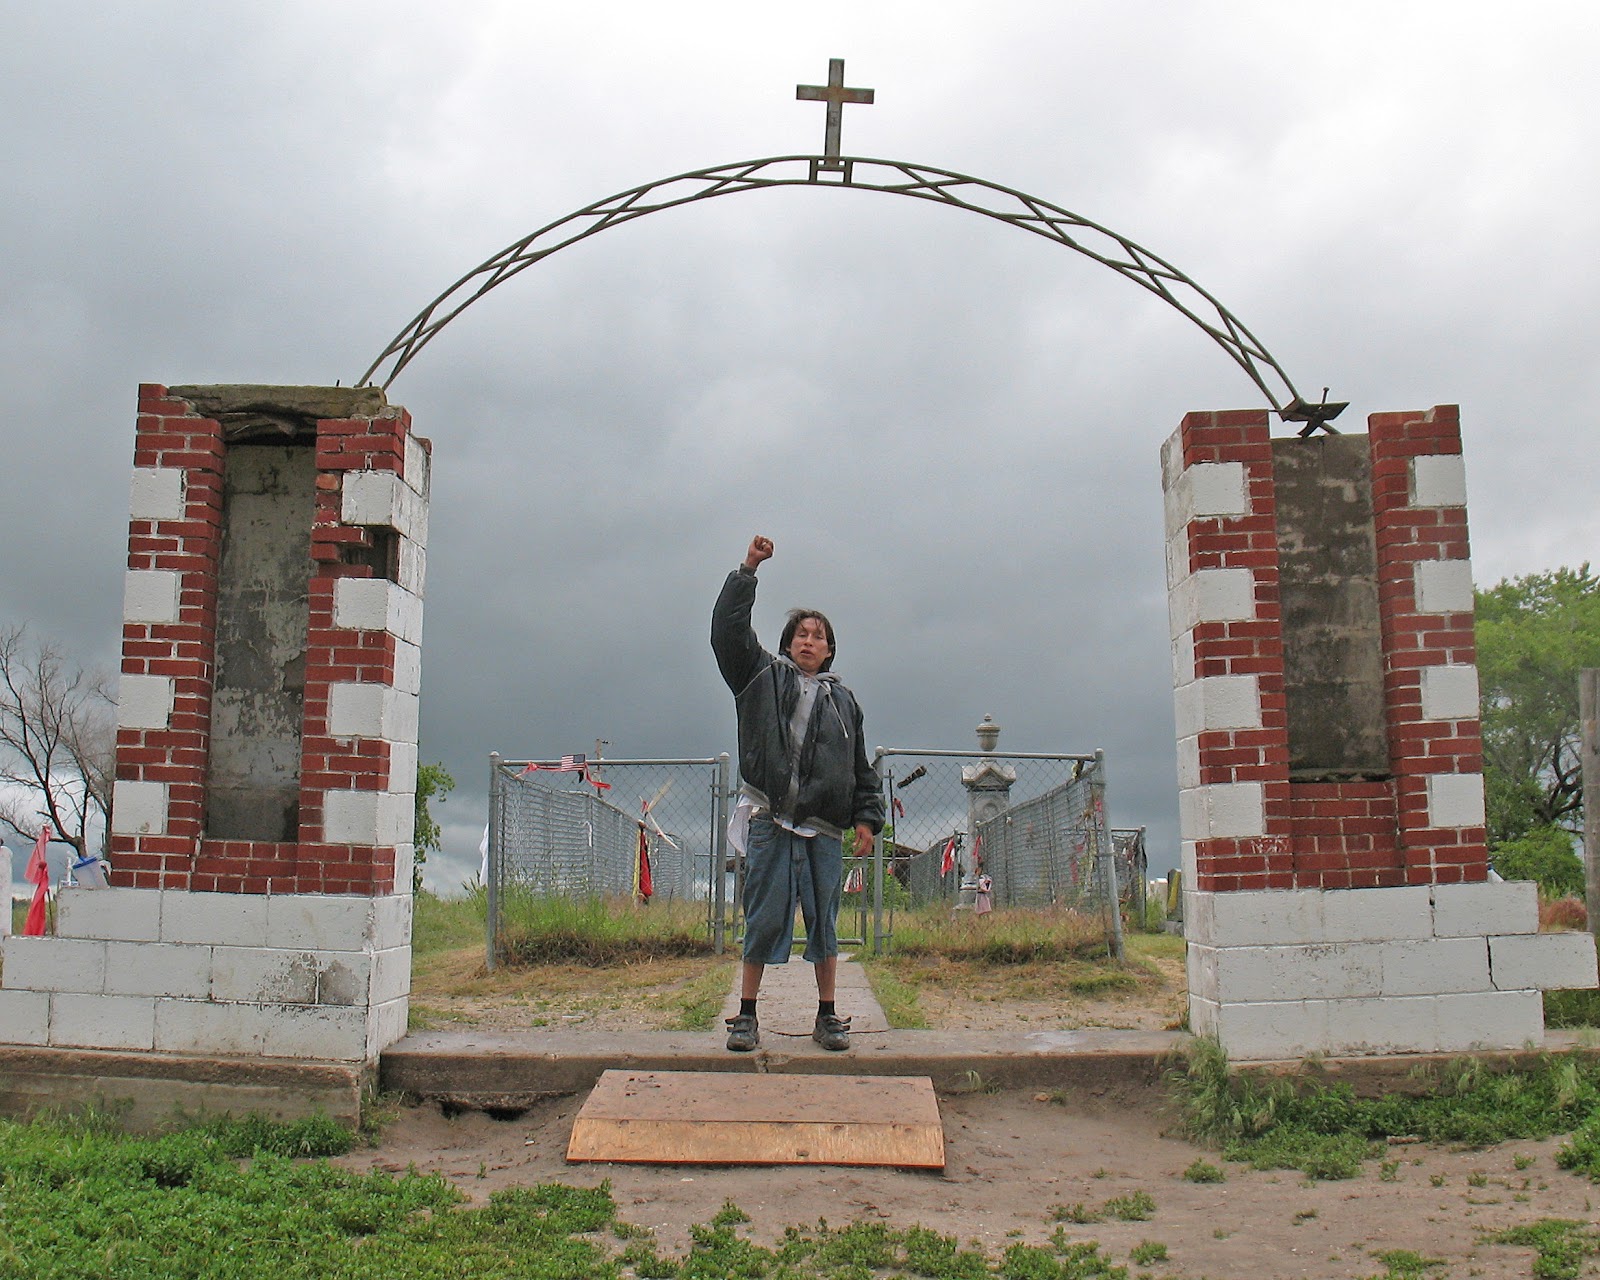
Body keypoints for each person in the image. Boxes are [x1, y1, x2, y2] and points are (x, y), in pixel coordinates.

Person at [712, 534, 884, 1052]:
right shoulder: (759, 676)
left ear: (830, 649)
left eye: (819, 636)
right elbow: (727, 633)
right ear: (788, 643)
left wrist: (867, 819)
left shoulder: (844, 702)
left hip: (824, 830)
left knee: (825, 924)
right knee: (762, 916)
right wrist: (748, 570)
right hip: (770, 819)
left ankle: (827, 1016)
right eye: (801, 634)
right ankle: (746, 1016)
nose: (809, 641)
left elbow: (858, 767)